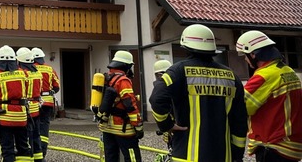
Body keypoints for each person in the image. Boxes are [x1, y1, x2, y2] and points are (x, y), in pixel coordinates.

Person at [150, 24, 247, 162]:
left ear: (185, 47)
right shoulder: (231, 77)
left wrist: (167, 125)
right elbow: (240, 122)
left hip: (186, 156)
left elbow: (156, 99)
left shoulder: (177, 71)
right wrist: (237, 155)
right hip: (223, 156)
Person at [236, 30, 302, 162]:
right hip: (293, 145)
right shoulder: (288, 71)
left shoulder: (264, 76)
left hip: (274, 146)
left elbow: (240, 107)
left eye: (245, 54)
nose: (245, 58)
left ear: (253, 54)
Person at [95, 50, 144, 162]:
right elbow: (130, 105)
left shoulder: (106, 78)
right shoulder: (122, 80)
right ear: (125, 65)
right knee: (132, 157)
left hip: (106, 127)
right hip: (122, 128)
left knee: (111, 157)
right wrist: (138, 125)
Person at [0, 45, 30, 162]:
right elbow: (27, 88)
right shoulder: (22, 73)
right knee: (23, 146)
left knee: (7, 147)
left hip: (5, 116)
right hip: (21, 116)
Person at [32, 47, 60, 160]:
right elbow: (57, 86)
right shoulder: (50, 69)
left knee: (33, 127)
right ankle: (42, 152)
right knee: (44, 128)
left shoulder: (30, 69)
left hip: (34, 103)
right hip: (47, 103)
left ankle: (34, 152)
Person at [17, 47, 43, 162]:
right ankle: (39, 158)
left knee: (25, 136)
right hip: (36, 107)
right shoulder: (37, 72)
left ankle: (29, 157)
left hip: (26, 109)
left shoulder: (23, 73)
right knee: (36, 134)